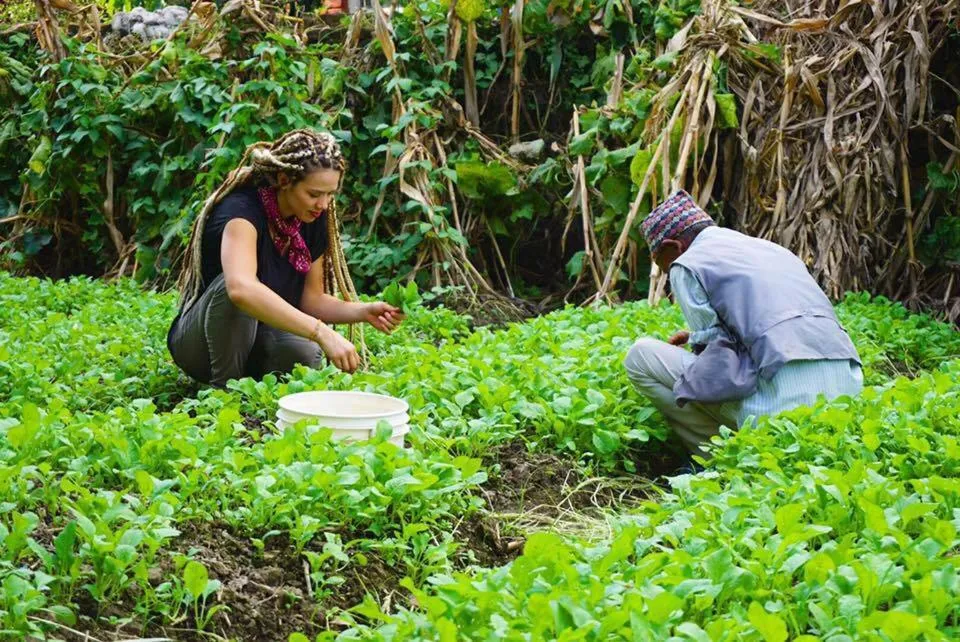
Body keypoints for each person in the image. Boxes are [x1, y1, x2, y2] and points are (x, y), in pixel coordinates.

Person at [623, 189, 863, 456]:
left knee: (640, 356)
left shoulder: (688, 263)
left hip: (783, 407)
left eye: (663, 265)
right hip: (847, 397)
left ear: (672, 247)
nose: (668, 272)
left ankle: (715, 457)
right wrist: (694, 338)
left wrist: (697, 351)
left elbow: (717, 368)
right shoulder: (772, 249)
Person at [168, 129, 404, 387]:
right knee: (234, 288)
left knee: (305, 353)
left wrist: (364, 311)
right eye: (314, 194)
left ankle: (251, 387)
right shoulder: (241, 212)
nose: (323, 204)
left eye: (330, 194)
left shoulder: (313, 218)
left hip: (256, 337)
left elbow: (311, 299)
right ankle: (225, 391)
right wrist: (321, 331)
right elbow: (239, 290)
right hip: (199, 344)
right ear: (284, 179)